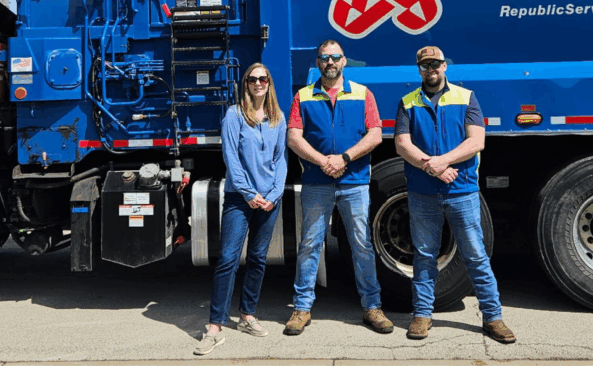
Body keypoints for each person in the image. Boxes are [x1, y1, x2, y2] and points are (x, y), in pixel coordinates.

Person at [393, 46, 515, 343]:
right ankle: (422, 315)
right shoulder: (408, 102)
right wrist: (433, 167)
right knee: (425, 256)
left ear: (445, 66)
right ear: (419, 70)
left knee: (475, 255)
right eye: (425, 65)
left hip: (462, 191)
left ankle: (493, 317)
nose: (431, 69)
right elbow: (402, 144)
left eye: (436, 63)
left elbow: (476, 141)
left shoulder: (466, 97)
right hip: (423, 192)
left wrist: (442, 162)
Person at [284, 39, 393, 336]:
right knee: (309, 245)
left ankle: (372, 307)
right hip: (317, 182)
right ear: (318, 62)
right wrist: (323, 161)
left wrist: (344, 158)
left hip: (354, 182)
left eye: (335, 57)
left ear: (344, 61)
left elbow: (375, 134)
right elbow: (293, 137)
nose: (330, 62)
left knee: (362, 245)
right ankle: (301, 308)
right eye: (324, 58)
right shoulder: (303, 96)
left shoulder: (363, 93)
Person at [194, 63, 288, 355]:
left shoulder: (277, 118)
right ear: (245, 84)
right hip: (239, 198)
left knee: (258, 258)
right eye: (252, 79)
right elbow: (231, 158)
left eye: (263, 78)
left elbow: (281, 159)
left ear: (269, 83)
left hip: (269, 200)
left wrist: (273, 194)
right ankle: (215, 328)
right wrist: (248, 193)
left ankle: (247, 316)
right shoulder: (234, 115)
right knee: (228, 259)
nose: (258, 83)